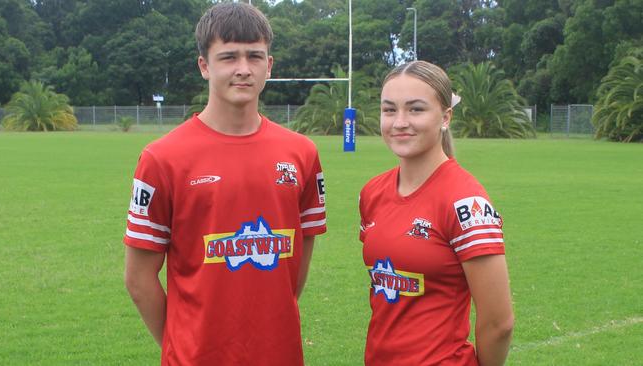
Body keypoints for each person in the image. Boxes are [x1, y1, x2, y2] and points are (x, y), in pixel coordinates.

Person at [123, 3, 327, 365]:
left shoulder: (302, 154)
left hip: (280, 355)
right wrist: (180, 343)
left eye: (255, 56)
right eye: (229, 57)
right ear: (204, 65)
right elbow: (139, 280)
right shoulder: (162, 158)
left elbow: (295, 266)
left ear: (270, 65)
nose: (243, 69)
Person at [358, 61, 513, 366]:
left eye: (415, 109)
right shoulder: (372, 193)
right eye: (389, 110)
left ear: (445, 117)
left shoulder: (466, 201)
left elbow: (499, 322)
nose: (400, 122)